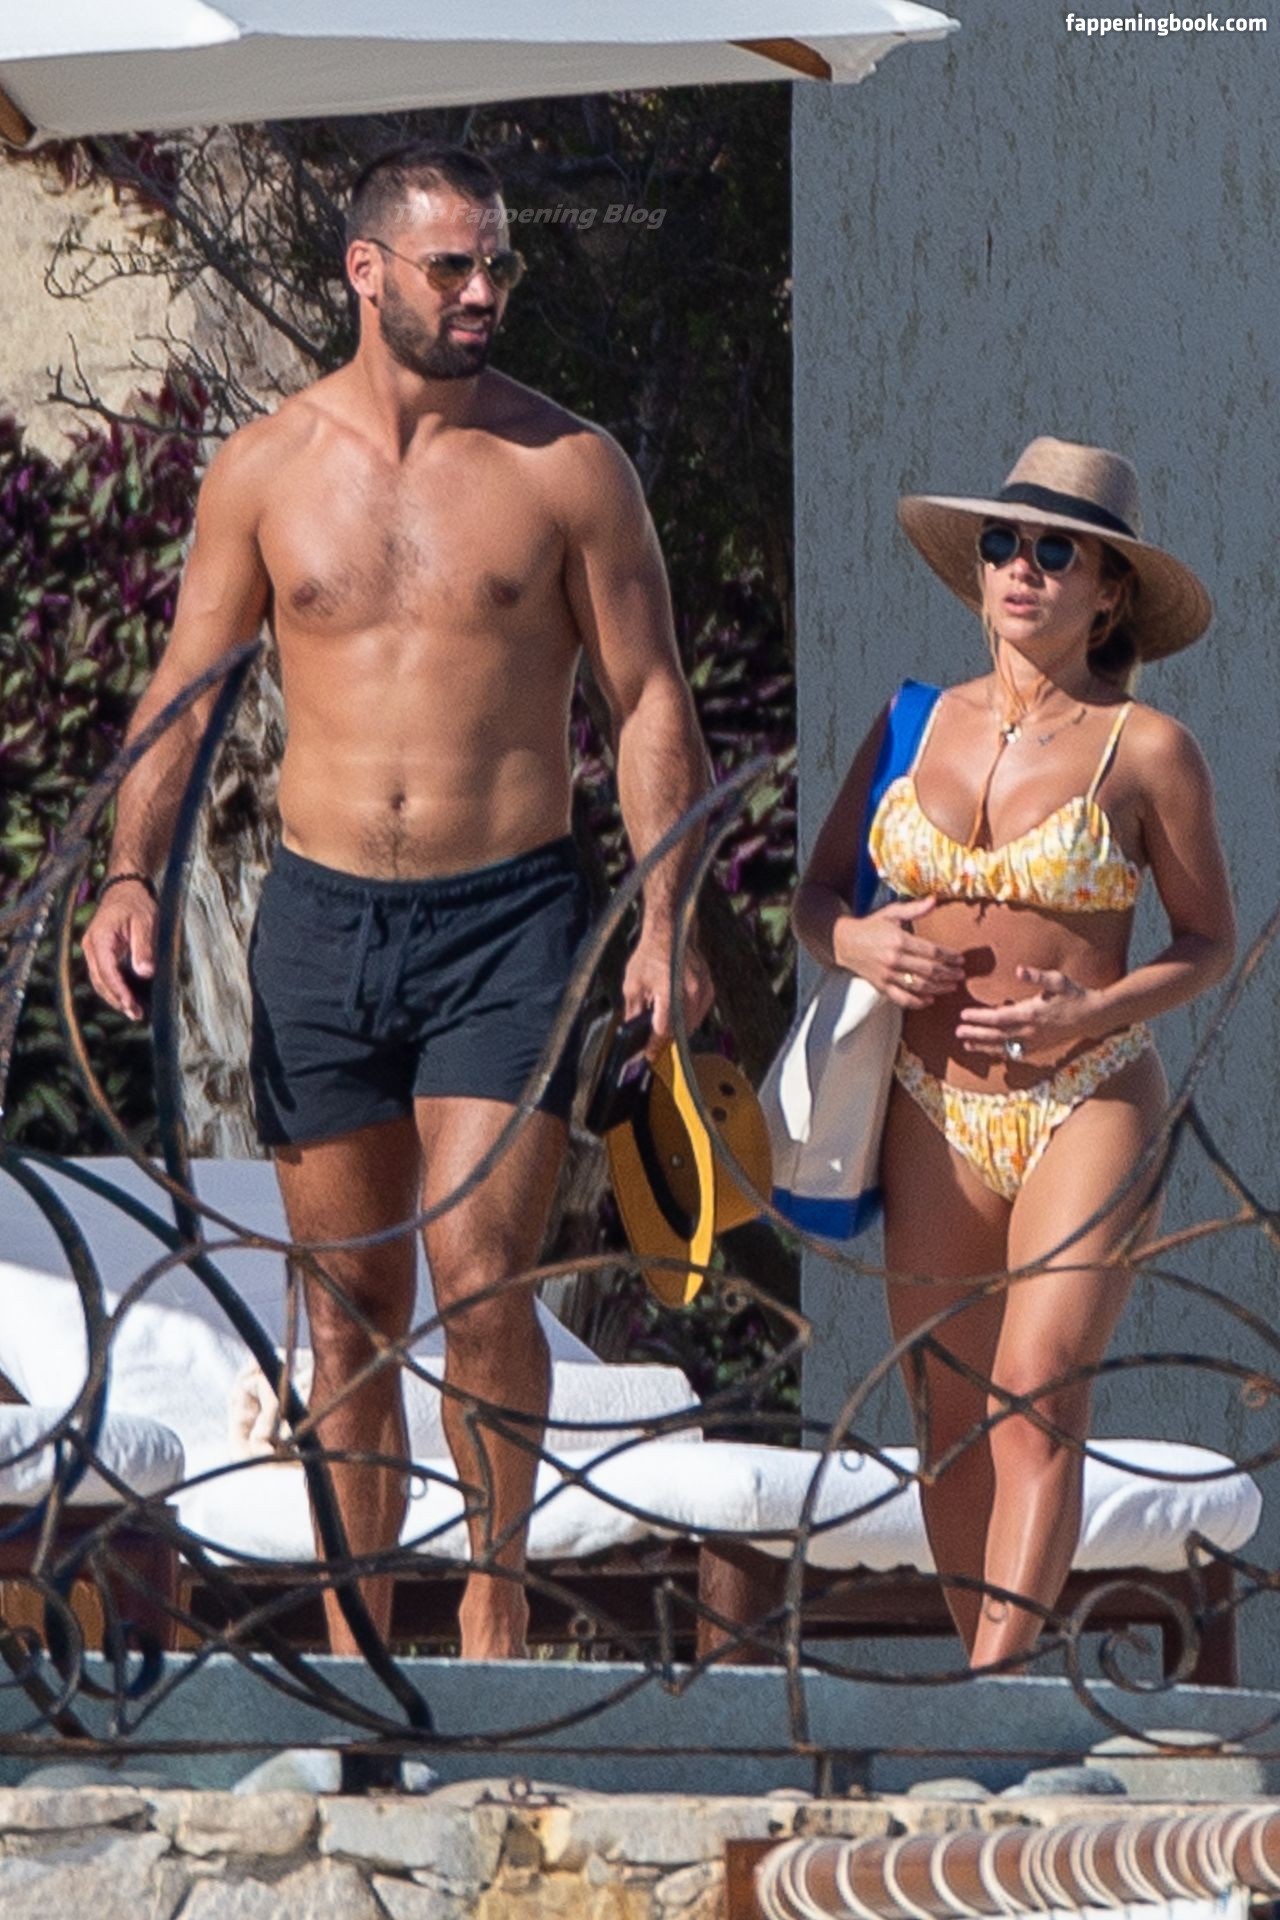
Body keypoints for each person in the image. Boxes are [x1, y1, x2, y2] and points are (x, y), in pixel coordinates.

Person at [83, 142, 712, 1665]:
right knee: (344, 1310)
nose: (484, 289)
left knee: (480, 1281)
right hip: (319, 924)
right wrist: (127, 870)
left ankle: (493, 1619)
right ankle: (362, 1657)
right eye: (454, 265)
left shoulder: (567, 468)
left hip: (510, 925)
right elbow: (187, 687)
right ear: (366, 271)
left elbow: (646, 702)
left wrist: (666, 919)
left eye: (499, 263)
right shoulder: (266, 469)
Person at [792, 437, 1235, 1670]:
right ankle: (989, 1686)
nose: (1020, 568)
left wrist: (1087, 1012)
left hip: (1087, 1095)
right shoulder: (910, 721)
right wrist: (858, 943)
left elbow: (1206, 942)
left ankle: (992, 1698)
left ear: (1108, 592)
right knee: (946, 1416)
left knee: (1035, 1394)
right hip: (926, 1102)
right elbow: (814, 898)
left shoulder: (1145, 749)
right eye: (1001, 544)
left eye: (1055, 551)